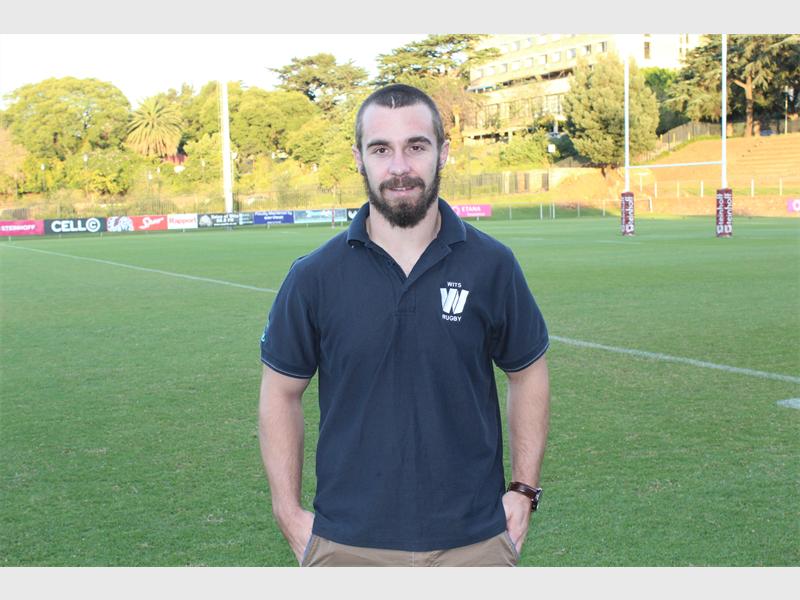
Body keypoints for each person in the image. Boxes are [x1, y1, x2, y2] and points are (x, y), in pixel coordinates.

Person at [258, 84, 550, 567]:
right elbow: (279, 393)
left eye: (416, 146)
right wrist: (286, 511)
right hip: (346, 545)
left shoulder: (493, 265)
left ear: (443, 152)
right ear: (359, 158)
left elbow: (528, 371)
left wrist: (523, 489)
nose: (399, 167)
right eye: (381, 150)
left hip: (475, 542)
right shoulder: (314, 276)